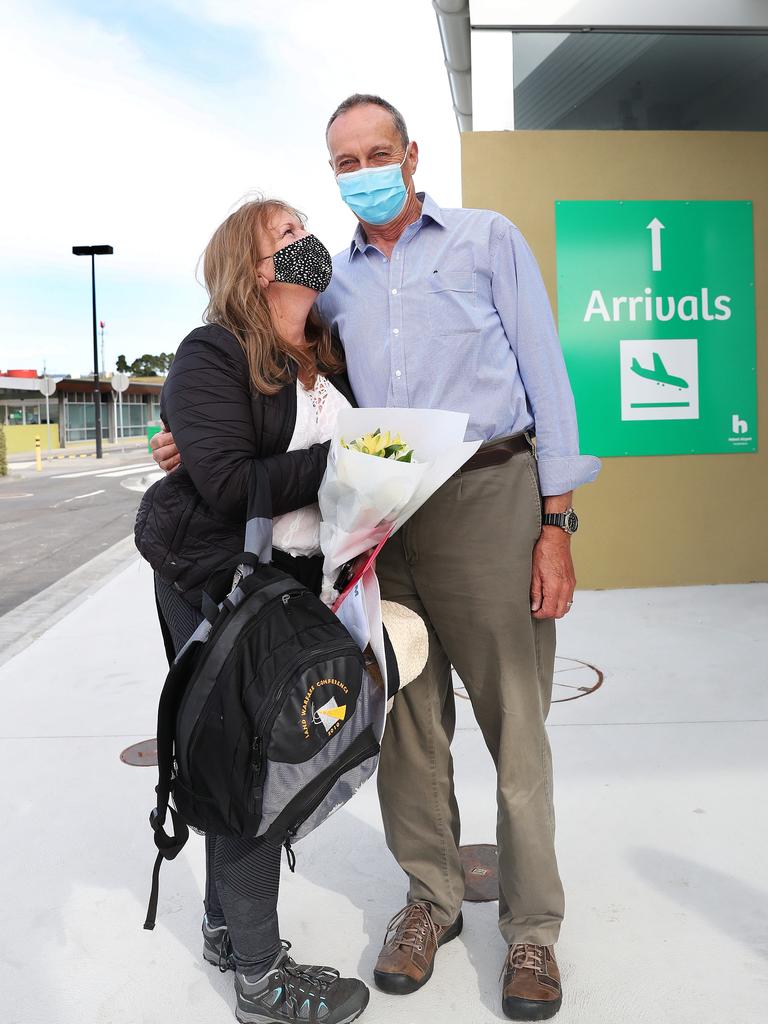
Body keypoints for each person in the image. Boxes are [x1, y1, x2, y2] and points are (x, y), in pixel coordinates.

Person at [152, 94, 600, 1022]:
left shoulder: (484, 241)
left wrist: (558, 521)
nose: (362, 169)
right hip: (381, 517)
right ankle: (430, 902)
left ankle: (532, 929)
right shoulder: (332, 292)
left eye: (377, 151)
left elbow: (547, 377)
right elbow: (261, 400)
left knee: (516, 719)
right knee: (401, 720)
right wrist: (187, 441)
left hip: (487, 494)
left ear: (411, 153)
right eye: (343, 160)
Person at [136, 197, 370, 1024]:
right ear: (257, 266)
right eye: (289, 236)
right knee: (253, 765)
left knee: (246, 753)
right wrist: (347, 459)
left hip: (302, 580)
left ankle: (223, 928)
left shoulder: (328, 350)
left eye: (309, 228)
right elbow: (232, 484)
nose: (309, 243)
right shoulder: (215, 349)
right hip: (221, 577)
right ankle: (263, 980)